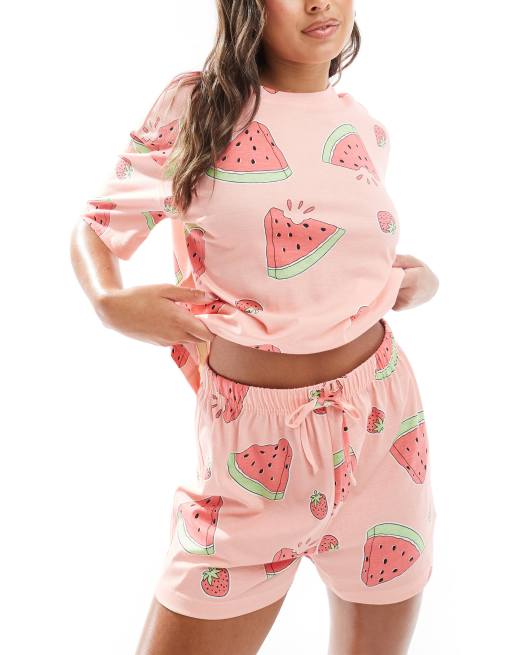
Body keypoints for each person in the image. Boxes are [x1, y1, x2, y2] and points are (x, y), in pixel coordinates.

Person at [70, 1, 440, 653]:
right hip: (250, 446)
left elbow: (334, 253)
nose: (319, 3)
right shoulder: (197, 106)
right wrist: (108, 301)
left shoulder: (365, 129)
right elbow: (99, 226)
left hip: (385, 429)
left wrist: (417, 280)